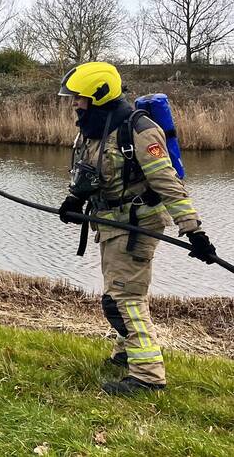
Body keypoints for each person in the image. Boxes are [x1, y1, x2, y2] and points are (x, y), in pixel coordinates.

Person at [57, 61, 218, 395]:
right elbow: (89, 172)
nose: (75, 104)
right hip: (110, 224)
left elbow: (168, 184)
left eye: (79, 98)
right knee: (117, 294)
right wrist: (74, 200)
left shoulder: (140, 130)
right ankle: (126, 352)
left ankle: (148, 376)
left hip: (137, 226)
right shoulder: (94, 128)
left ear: (98, 95)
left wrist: (194, 231)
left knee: (125, 299)